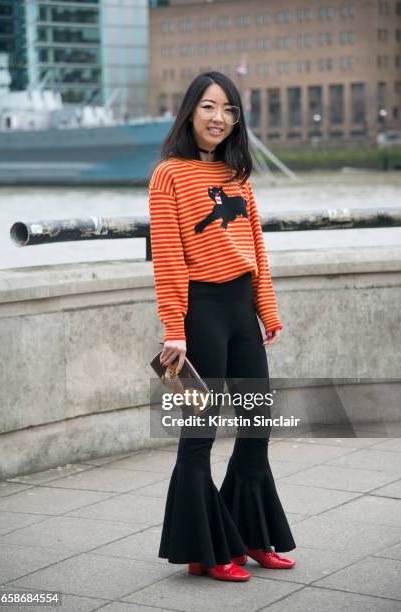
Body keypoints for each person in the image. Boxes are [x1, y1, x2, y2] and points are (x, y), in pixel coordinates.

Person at [148, 71, 296, 582]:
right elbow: (167, 256)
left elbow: (257, 250)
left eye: (230, 111)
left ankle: (252, 536)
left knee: (257, 426)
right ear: (191, 111)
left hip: (241, 310)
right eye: (210, 107)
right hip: (199, 313)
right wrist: (174, 327)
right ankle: (202, 551)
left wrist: (267, 312)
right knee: (199, 434)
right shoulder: (168, 174)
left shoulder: (237, 175)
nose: (220, 119)